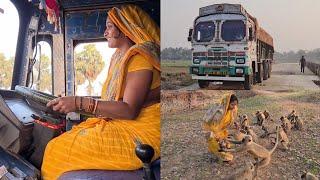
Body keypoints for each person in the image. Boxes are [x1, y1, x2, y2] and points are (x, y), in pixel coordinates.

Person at [41, 4, 160, 179]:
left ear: (126, 28)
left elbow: (129, 109)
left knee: (57, 149)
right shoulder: (118, 58)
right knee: (56, 145)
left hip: (142, 131)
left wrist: (78, 103)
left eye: (110, 27)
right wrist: (70, 102)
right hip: (123, 124)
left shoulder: (140, 58)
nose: (105, 32)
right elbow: (113, 99)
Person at [203, 94, 238, 162]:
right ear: (227, 103)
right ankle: (217, 153)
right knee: (217, 146)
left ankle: (220, 151)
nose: (234, 107)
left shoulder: (231, 111)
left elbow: (227, 122)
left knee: (227, 145)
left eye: (235, 105)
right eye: (232, 104)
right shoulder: (219, 112)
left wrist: (234, 123)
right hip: (211, 131)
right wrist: (219, 138)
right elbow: (213, 127)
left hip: (220, 131)